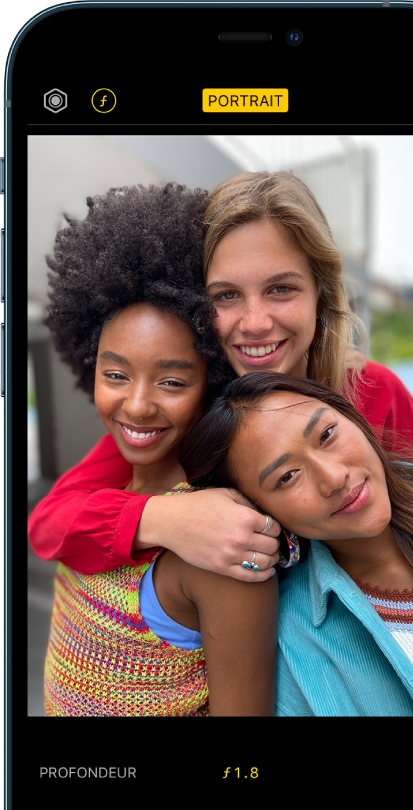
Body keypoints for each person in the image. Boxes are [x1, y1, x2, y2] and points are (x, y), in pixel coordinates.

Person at [29, 172, 413, 580]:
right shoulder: (188, 413)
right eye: (227, 296)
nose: (255, 324)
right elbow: (50, 523)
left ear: (320, 295)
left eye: (281, 289)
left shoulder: (378, 393)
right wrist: (165, 517)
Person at [41, 185, 277, 717]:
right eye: (116, 374)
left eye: (172, 382)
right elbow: (46, 525)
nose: (138, 405)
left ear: (213, 383)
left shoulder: (220, 542)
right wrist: (156, 516)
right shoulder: (110, 475)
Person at [180, 372, 413, 718]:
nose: (333, 478)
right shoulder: (292, 645)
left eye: (327, 434)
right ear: (257, 512)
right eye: (287, 477)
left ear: (350, 416)